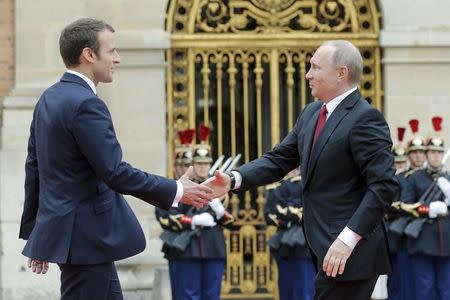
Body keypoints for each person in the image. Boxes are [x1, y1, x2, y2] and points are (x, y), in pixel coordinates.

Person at [18, 18, 213, 300]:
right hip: (87, 239)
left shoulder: (49, 98)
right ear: (89, 54)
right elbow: (115, 172)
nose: (117, 59)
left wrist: (39, 234)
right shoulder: (86, 103)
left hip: (82, 241)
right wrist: (178, 190)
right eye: (111, 51)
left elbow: (34, 168)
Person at [203, 40, 399, 300]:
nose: (308, 74)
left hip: (349, 250)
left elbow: (384, 186)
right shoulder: (311, 113)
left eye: (315, 67)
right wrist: (233, 179)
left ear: (341, 73)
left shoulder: (365, 118)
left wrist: (347, 240)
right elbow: (278, 160)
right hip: (321, 244)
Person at [157, 131, 234, 300]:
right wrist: (193, 220)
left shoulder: (219, 189)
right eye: (198, 163)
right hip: (186, 250)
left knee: (211, 295)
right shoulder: (176, 188)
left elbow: (230, 222)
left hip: (213, 248)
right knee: (187, 295)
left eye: (206, 163)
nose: (202, 167)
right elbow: (166, 218)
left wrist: (220, 210)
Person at [403, 116, 450, 300]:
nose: (436, 156)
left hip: (447, 242)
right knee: (424, 290)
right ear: (426, 154)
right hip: (422, 241)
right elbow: (406, 206)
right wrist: (429, 209)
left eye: (439, 152)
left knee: (446, 290)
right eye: (432, 152)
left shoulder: (448, 179)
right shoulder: (415, 178)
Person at [264, 168, 315, 300]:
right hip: (283, 242)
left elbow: (309, 210)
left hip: (304, 242)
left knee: (304, 290)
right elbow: (270, 213)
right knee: (286, 290)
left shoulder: (310, 184)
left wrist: (289, 213)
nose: (293, 169)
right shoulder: (277, 187)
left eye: (297, 166)